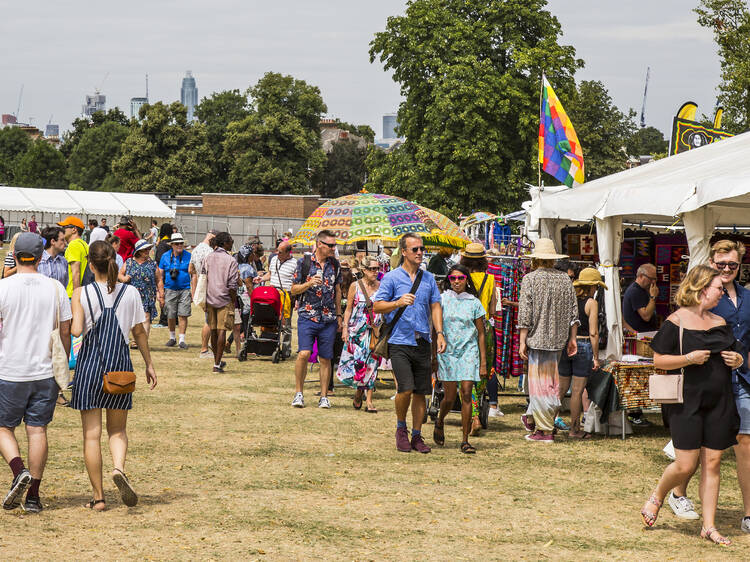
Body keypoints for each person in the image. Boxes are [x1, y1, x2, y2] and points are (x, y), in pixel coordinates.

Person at [642, 265, 743, 545]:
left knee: (713, 463)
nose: (722, 292)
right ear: (701, 289)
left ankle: (708, 526)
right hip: (686, 402)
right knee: (686, 464)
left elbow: (736, 353)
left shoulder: (721, 322)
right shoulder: (677, 321)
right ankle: (658, 496)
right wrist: (688, 358)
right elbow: (658, 361)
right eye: (718, 288)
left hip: (719, 400)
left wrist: (738, 360)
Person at [669, 240, 750, 533]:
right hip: (704, 381)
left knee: (742, 443)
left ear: (740, 266)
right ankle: (679, 494)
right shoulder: (704, 296)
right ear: (712, 263)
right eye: (721, 264)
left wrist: (742, 360)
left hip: (740, 380)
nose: (727, 269)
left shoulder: (747, 298)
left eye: (732, 264)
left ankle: (748, 513)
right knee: (698, 449)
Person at [70, 241, 157, 511]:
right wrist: (149, 364)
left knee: (91, 435)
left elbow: (75, 331)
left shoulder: (81, 292)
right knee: (117, 429)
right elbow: (139, 332)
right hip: (120, 366)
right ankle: (118, 468)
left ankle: (98, 498)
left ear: (90, 264)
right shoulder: (130, 292)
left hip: (89, 367)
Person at [0, 232, 71, 514]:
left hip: (10, 369)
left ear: (15, 256)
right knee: (37, 430)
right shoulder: (55, 288)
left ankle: (18, 470)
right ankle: (33, 496)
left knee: (4, 427)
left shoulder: (3, 287)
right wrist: (63, 362)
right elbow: (65, 331)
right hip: (45, 371)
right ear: (41, 258)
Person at [373, 233, 445, 453]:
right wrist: (397, 302)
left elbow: (435, 306)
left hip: (422, 339)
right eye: (415, 249)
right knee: (405, 388)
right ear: (403, 252)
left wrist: (440, 333)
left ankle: (417, 435)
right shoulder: (392, 278)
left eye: (422, 249)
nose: (420, 253)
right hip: (399, 340)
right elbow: (377, 306)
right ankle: (400, 428)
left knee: (421, 391)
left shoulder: (429, 278)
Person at [518, 238, 578, 443]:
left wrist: (522, 341)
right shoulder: (565, 280)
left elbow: (525, 314)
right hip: (558, 341)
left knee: (539, 386)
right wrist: (572, 338)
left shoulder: (530, 279)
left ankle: (544, 430)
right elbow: (573, 314)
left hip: (537, 340)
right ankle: (537, 421)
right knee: (551, 384)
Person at [433, 264, 487, 453]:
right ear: (449, 280)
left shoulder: (474, 302)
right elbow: (435, 328)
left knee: (466, 393)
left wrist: (483, 362)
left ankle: (465, 440)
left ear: (466, 279)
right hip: (447, 352)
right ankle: (440, 420)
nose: (456, 281)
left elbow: (481, 333)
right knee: (448, 397)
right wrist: (434, 354)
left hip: (468, 351)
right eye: (453, 278)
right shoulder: (442, 300)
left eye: (460, 278)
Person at [290, 230, 342, 409]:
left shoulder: (335, 264)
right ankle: (298, 393)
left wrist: (339, 315)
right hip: (307, 315)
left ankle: (324, 396)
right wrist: (309, 283)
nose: (334, 248)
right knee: (303, 354)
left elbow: (338, 290)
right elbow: (293, 289)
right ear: (320, 244)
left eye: (335, 245)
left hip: (328, 318)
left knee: (326, 358)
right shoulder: (303, 263)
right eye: (331, 245)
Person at [558, 267, 606, 439]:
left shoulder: (569, 300)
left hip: (566, 344)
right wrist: (596, 357)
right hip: (583, 344)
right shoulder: (591, 303)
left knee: (561, 389)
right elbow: (593, 333)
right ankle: (574, 429)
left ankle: (547, 424)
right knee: (577, 391)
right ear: (593, 286)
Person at [459, 243, 497, 433]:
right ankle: (477, 408)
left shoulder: (460, 278)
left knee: (464, 373)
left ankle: (473, 416)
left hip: (465, 328)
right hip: (486, 328)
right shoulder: (491, 279)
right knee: (482, 372)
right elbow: (492, 310)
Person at [337, 256, 382, 412]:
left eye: (377, 268)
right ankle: (358, 392)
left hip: (373, 331)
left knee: (372, 364)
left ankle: (369, 400)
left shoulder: (381, 287)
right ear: (364, 270)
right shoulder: (355, 286)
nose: (375, 272)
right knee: (359, 365)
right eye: (372, 269)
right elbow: (348, 308)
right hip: (356, 331)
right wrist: (344, 328)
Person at [202, 232, 239, 373]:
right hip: (225, 299)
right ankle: (217, 364)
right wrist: (233, 299)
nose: (232, 244)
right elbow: (232, 284)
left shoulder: (208, 258)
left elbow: (203, 277)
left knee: (213, 330)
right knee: (222, 330)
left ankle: (216, 361)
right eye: (231, 241)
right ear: (225, 243)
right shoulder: (231, 260)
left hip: (210, 298)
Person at [257, 240, 298, 357]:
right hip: (272, 295)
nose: (277, 253)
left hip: (286, 295)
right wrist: (261, 279)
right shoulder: (274, 259)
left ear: (288, 253)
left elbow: (296, 282)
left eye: (280, 252)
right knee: (269, 321)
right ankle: (268, 347)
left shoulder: (295, 263)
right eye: (277, 250)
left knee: (285, 324)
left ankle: (286, 350)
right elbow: (271, 274)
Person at [120, 239, 161, 341]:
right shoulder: (129, 262)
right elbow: (119, 274)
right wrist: (124, 278)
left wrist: (161, 293)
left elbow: (159, 279)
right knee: (131, 318)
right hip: (131, 295)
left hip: (147, 294)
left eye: (148, 249)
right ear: (138, 251)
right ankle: (132, 339)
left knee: (146, 317)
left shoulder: (152, 264)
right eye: (144, 249)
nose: (147, 251)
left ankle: (142, 341)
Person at [157, 233, 192, 349]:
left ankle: (182, 340)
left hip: (185, 289)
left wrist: (193, 290)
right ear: (172, 245)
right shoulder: (165, 256)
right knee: (170, 314)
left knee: (183, 314)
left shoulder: (188, 256)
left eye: (181, 243)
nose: (179, 245)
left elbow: (193, 274)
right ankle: (172, 338)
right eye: (177, 244)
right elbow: (160, 274)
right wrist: (160, 292)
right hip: (169, 289)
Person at [189, 230, 218, 358]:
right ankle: (204, 349)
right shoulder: (211, 252)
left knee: (209, 318)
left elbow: (190, 269)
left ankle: (209, 347)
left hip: (201, 285)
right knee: (210, 320)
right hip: (210, 286)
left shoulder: (195, 250)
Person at [622, 263, 659, 333]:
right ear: (641, 276)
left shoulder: (642, 290)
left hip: (644, 334)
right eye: (651, 279)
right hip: (639, 337)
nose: (653, 282)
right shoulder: (635, 291)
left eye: (655, 279)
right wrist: (653, 297)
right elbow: (646, 316)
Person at [58, 216, 89, 298]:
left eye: (64, 227)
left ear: (74, 230)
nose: (62, 230)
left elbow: (76, 272)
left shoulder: (73, 245)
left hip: (72, 294)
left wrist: (76, 297)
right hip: (82, 291)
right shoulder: (85, 244)